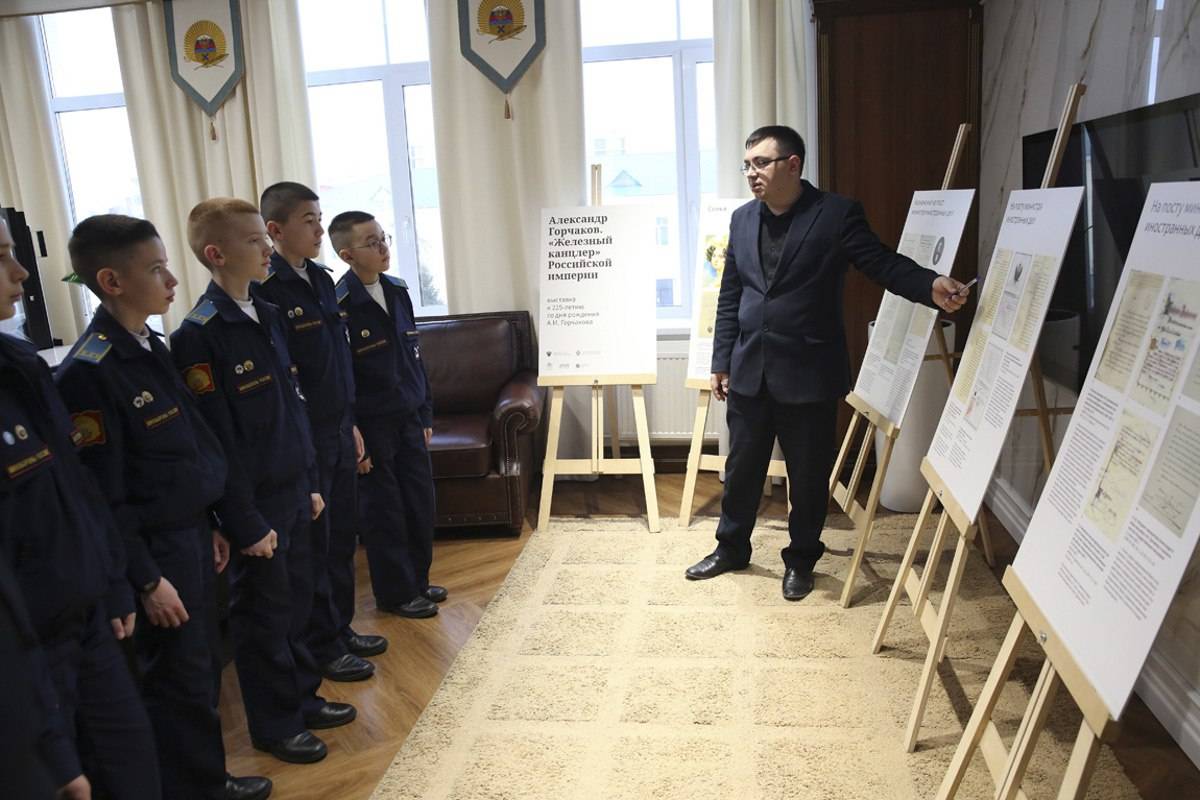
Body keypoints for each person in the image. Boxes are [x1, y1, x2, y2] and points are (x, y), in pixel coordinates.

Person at [685, 125, 969, 600]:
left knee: (808, 476)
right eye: (747, 164)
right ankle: (731, 547)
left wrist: (929, 284)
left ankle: (801, 559)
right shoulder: (742, 219)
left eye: (761, 163)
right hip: (750, 369)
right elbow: (731, 294)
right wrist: (722, 360)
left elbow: (881, 262)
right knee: (742, 469)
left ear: (793, 165)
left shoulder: (835, 214)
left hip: (809, 372)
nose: (752, 173)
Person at [56, 214, 271, 800]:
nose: (173, 280)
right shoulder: (90, 372)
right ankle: (195, 787)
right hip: (154, 553)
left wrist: (211, 521)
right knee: (176, 680)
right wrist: (146, 579)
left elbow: (188, 450)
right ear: (112, 281)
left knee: (200, 669)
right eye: (156, 270)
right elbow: (102, 497)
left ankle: (208, 778)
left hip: (189, 534)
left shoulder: (150, 345)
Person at [171, 198, 355, 764]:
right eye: (254, 241)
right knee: (264, 618)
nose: (266, 249)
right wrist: (243, 520)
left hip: (294, 487)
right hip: (255, 503)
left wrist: (311, 481)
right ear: (216, 253)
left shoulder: (267, 314)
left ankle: (303, 697)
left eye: (264, 238)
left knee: (298, 603)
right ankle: (276, 724)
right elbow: (216, 441)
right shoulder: (200, 334)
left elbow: (292, 407)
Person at [0, 212, 161, 798]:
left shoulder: (19, 367)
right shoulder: (82, 368)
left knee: (132, 767)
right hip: (28, 646)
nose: (21, 272)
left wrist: (115, 583)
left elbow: (79, 489)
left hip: (88, 615)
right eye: (1, 257)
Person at [256, 182, 384, 682]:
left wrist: (351, 422)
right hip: (304, 438)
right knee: (314, 545)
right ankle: (321, 645)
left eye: (319, 218)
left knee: (340, 538)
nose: (318, 229)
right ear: (276, 229)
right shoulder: (268, 290)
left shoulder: (321, 280)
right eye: (309, 220)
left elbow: (337, 363)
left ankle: (339, 628)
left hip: (337, 429)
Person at [328, 210, 445, 618]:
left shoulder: (396, 290)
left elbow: (415, 358)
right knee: (385, 511)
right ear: (347, 255)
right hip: (373, 425)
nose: (382, 248)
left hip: (409, 417)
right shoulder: (340, 304)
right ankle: (395, 593)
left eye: (383, 238)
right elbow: (342, 377)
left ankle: (418, 581)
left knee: (419, 502)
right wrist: (354, 433)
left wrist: (426, 412)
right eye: (371, 242)